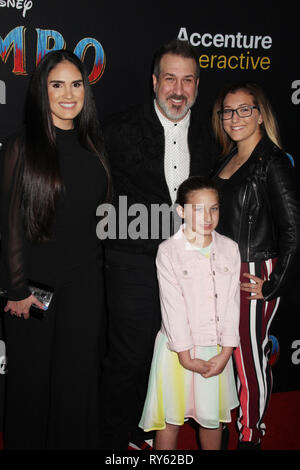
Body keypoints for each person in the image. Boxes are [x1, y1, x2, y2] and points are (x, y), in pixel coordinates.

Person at [100, 39, 216, 450]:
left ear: (198, 87)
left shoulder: (211, 133)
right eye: (170, 78)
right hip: (132, 261)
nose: (178, 90)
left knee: (169, 356)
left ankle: (150, 433)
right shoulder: (116, 129)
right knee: (129, 357)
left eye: (188, 80)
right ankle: (117, 440)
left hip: (189, 267)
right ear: (154, 82)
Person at [0, 50, 111, 449]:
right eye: (57, 84)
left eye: (77, 84)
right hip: (34, 289)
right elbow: (10, 223)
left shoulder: (94, 146)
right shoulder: (22, 147)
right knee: (31, 386)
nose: (69, 94)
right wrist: (15, 289)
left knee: (77, 383)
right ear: (41, 91)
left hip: (85, 286)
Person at [211, 81, 300, 449]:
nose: (235, 118)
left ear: (260, 115)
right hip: (224, 270)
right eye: (228, 111)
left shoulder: (273, 162)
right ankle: (243, 425)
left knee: (248, 357)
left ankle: (250, 436)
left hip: (255, 272)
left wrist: (274, 283)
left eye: (244, 109)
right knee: (234, 357)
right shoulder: (227, 159)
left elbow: (293, 228)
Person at [139, 176, 240, 450]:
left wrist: (227, 351)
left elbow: (232, 304)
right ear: (181, 211)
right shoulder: (169, 251)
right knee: (169, 421)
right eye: (198, 209)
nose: (207, 217)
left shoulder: (230, 249)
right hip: (176, 351)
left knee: (213, 420)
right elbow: (172, 308)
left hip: (217, 351)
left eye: (214, 208)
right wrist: (185, 356)